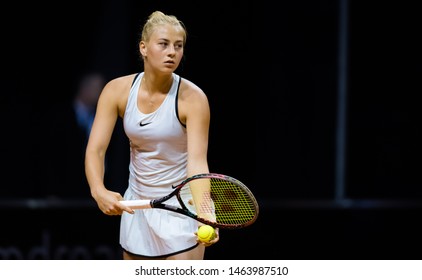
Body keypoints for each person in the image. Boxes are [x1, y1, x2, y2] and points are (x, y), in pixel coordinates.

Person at [84, 10, 219, 260]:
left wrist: (204, 210)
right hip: (137, 205)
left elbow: (197, 162)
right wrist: (98, 189)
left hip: (181, 207)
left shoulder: (194, 99)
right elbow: (96, 149)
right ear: (144, 48)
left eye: (178, 46)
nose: (172, 52)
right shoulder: (116, 91)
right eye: (164, 44)